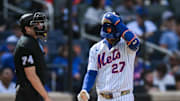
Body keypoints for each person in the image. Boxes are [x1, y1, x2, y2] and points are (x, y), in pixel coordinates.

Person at [77, 12, 140, 101]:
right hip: (103, 97)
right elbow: (91, 73)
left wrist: (118, 23)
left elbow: (135, 42)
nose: (110, 39)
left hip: (123, 96)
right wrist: (85, 89)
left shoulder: (126, 45)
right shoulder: (96, 49)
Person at [14, 12, 52, 101]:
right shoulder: (25, 45)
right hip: (27, 94)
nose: (40, 27)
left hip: (34, 92)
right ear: (27, 29)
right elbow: (31, 75)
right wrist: (46, 97)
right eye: (36, 25)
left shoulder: (33, 42)